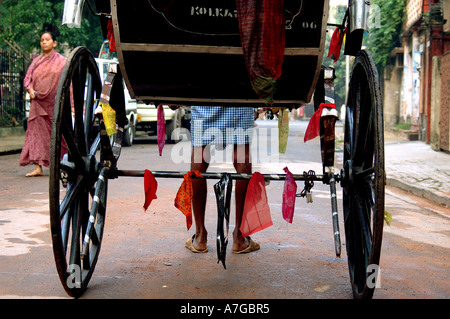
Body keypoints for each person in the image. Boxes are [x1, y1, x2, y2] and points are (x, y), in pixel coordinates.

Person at [185, 106, 260, 254]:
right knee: (242, 155)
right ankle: (239, 237)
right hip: (239, 99)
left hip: (205, 101)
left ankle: (200, 237)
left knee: (199, 155)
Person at [20, 31, 66, 177]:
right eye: (42, 40)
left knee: (59, 135)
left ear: (54, 43)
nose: (44, 42)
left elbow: (68, 83)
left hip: (54, 104)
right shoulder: (36, 61)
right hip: (38, 104)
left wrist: (70, 104)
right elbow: (27, 79)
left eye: (47, 40)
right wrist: (30, 89)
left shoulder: (62, 61)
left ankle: (62, 164)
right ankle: (38, 167)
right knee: (36, 134)